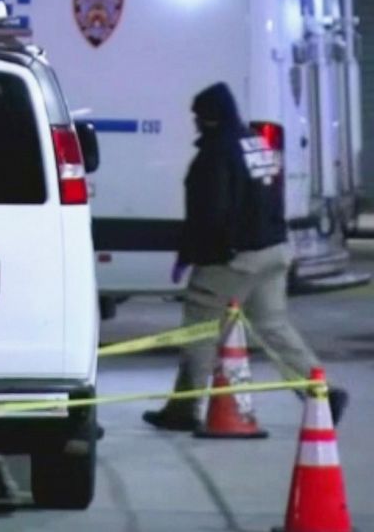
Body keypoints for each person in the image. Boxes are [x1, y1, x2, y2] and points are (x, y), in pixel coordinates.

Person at [142, 82, 348, 431]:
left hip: (235, 257)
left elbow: (211, 214)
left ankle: (185, 409)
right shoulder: (256, 144)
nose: (196, 123)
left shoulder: (216, 154)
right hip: (274, 250)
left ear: (210, 117)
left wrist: (193, 255)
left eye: (199, 116)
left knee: (199, 328)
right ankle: (321, 391)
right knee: (273, 326)